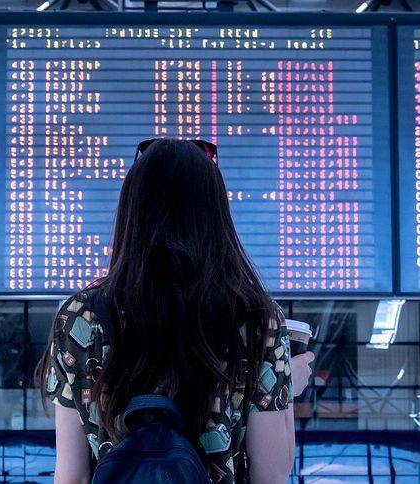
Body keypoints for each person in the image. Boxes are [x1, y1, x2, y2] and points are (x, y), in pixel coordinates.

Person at [36, 138, 316, 484]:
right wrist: (285, 390)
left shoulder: (80, 315)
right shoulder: (254, 315)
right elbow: (270, 475)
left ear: (132, 211)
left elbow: (72, 477)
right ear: (214, 213)